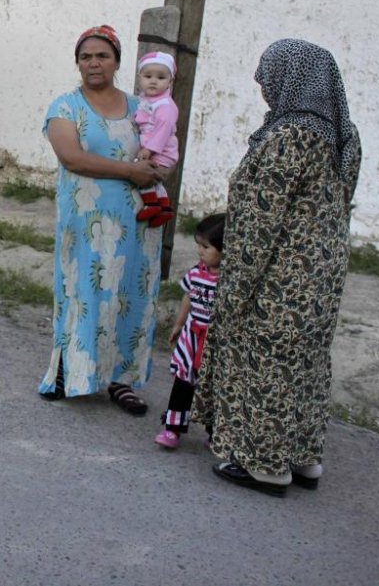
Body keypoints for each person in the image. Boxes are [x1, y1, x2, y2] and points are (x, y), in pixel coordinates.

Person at [195, 39, 360, 497]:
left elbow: (259, 222)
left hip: (280, 277)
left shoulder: (289, 137)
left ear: (291, 79)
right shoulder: (343, 135)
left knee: (266, 365)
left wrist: (236, 290)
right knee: (306, 364)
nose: (263, 86)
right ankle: (304, 459)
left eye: (268, 77)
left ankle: (265, 467)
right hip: (323, 275)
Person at [39, 25, 164, 415]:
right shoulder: (65, 107)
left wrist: (157, 168)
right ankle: (69, 371)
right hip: (86, 223)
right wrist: (130, 171)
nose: (94, 63)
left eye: (102, 56)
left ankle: (122, 381)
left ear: (117, 62)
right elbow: (72, 158)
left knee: (130, 296)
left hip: (137, 222)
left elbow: (162, 148)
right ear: (77, 63)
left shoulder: (141, 108)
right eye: (86, 57)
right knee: (83, 291)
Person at [154, 213, 225, 449]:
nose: (200, 251)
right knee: (183, 383)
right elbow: (188, 297)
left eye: (206, 247)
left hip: (214, 342)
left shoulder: (229, 281)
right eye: (199, 245)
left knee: (214, 388)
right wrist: (178, 324)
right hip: (191, 338)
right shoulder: (196, 273)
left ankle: (216, 434)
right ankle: (172, 428)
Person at [134, 51, 179, 227]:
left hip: (161, 152)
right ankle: (164, 207)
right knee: (155, 180)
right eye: (148, 76)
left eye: (161, 77)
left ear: (170, 81)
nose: (153, 81)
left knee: (142, 174)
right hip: (154, 150)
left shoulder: (165, 105)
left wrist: (148, 149)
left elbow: (163, 130)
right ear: (140, 77)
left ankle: (151, 203)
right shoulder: (145, 100)